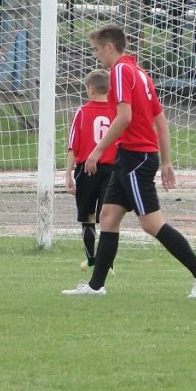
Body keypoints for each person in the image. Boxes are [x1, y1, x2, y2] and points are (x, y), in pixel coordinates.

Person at [63, 24, 196, 298]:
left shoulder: (121, 70)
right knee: (108, 217)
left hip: (136, 157)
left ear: (109, 47)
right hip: (132, 157)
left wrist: (97, 151)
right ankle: (95, 286)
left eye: (97, 50)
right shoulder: (140, 73)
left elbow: (125, 117)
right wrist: (166, 161)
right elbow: (160, 120)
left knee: (150, 223)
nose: (96, 56)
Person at [65, 68, 117, 273]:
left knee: (87, 216)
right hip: (112, 171)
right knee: (108, 217)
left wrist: (68, 174)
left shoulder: (82, 112)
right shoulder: (117, 113)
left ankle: (91, 259)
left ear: (91, 89)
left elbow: (73, 146)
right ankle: (109, 264)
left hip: (87, 170)